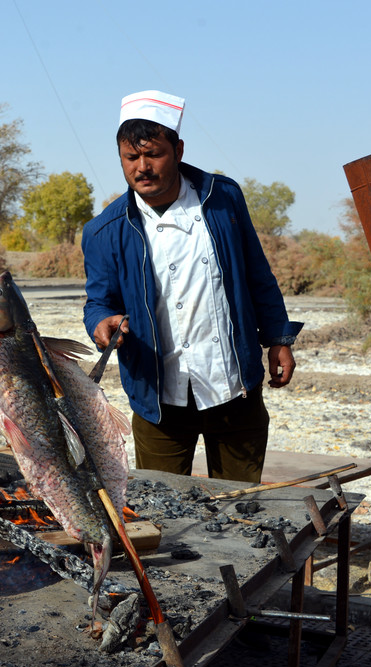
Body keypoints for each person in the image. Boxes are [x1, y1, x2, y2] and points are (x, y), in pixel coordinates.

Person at [82, 89, 303, 484]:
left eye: (154, 154)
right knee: (163, 511)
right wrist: (102, 323)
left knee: (239, 504)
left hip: (233, 386)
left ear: (178, 149)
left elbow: (257, 274)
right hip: (159, 400)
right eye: (131, 158)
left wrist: (278, 340)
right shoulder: (104, 231)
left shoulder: (223, 199)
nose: (142, 167)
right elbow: (99, 301)